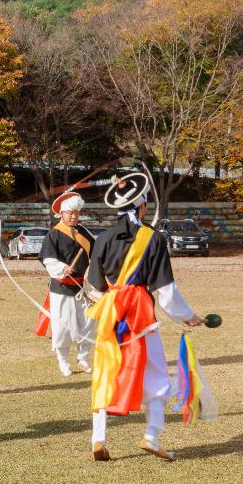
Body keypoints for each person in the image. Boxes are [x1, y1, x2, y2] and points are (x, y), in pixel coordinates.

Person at [84, 172, 204, 462]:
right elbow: (165, 290)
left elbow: (96, 285)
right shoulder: (152, 238)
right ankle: (151, 435)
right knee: (156, 375)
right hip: (139, 315)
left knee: (105, 373)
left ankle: (98, 439)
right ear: (141, 207)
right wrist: (187, 316)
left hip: (111, 313)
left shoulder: (102, 239)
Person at [38, 190, 96, 377]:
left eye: (76, 213)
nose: (74, 216)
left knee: (87, 324)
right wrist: (62, 268)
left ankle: (84, 357)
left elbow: (96, 256)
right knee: (63, 326)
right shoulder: (53, 235)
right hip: (62, 287)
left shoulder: (85, 233)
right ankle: (63, 362)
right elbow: (48, 259)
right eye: (70, 213)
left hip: (84, 287)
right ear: (61, 214)